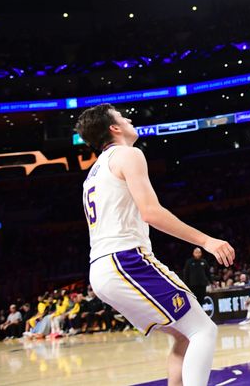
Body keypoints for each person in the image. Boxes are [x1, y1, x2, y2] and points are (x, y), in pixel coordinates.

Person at [75, 104, 234, 386]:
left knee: (185, 335)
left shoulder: (93, 173)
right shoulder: (128, 154)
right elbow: (151, 212)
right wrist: (206, 240)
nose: (129, 118)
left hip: (102, 267)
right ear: (114, 128)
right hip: (125, 260)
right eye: (122, 117)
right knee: (204, 331)